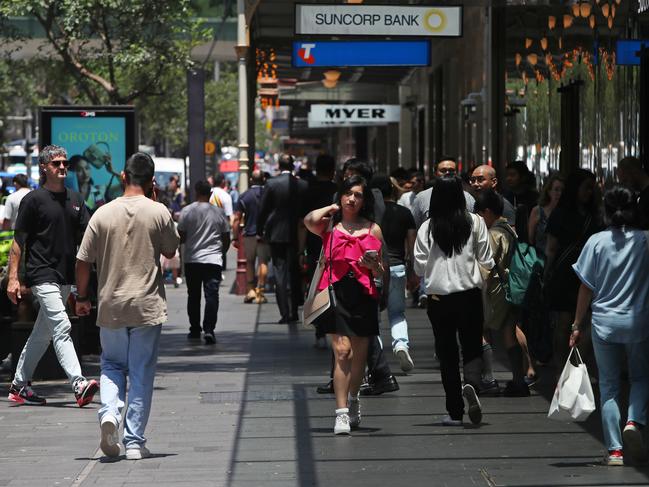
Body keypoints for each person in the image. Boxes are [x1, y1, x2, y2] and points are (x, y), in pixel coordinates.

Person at [75, 152, 180, 460]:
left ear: (123, 177)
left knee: (111, 365)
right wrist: (159, 204)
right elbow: (171, 251)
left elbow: (83, 261)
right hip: (146, 306)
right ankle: (134, 442)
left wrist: (82, 298)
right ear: (152, 181)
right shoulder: (158, 211)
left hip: (111, 306)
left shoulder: (102, 214)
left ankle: (109, 413)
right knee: (141, 372)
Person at [7, 145, 99, 407]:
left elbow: (90, 234)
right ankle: (79, 383)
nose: (62, 167)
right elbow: (18, 242)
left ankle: (19, 385)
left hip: (64, 276)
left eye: (64, 163)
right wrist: (14, 278)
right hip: (41, 274)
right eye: (56, 163)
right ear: (44, 168)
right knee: (62, 326)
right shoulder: (33, 200)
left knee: (43, 333)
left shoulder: (75, 199)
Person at [570, 186, 649, 466]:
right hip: (639, 321)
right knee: (640, 377)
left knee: (609, 385)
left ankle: (614, 451)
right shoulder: (645, 241)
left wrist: (577, 324)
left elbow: (585, 288)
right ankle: (634, 420)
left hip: (603, 323)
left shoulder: (596, 242)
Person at [304, 175, 384, 435]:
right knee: (342, 352)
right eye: (348, 193)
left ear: (364, 200)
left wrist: (373, 266)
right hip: (335, 292)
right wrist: (331, 209)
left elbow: (382, 272)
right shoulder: (329, 227)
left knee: (359, 357)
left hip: (363, 293)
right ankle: (340, 414)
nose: (352, 199)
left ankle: (354, 399)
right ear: (340, 196)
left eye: (358, 195)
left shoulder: (373, 229)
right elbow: (308, 220)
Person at [414, 176, 494, 426]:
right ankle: (470, 383)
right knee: (472, 346)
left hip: (439, 299)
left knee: (447, 353)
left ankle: (454, 412)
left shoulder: (427, 228)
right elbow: (487, 260)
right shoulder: (476, 221)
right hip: (469, 295)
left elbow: (418, 267)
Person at [544, 168, 601, 373]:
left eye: (592, 189)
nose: (589, 193)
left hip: (588, 272)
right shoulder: (561, 212)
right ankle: (562, 367)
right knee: (564, 321)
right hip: (565, 273)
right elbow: (551, 247)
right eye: (586, 188)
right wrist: (547, 273)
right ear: (575, 188)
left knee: (585, 321)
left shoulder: (593, 214)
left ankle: (577, 365)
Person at [474, 190, 530, 397]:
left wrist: (478, 287)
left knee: (482, 330)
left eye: (479, 215)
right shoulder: (509, 229)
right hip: (511, 289)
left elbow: (486, 267)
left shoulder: (494, 234)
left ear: (487, 212)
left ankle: (488, 380)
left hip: (496, 291)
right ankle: (519, 380)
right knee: (509, 334)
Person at [373, 175, 417, 372]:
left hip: (375, 269)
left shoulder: (370, 215)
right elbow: (412, 243)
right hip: (398, 267)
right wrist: (413, 270)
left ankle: (378, 354)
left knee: (373, 316)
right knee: (397, 312)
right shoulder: (405, 212)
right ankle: (400, 344)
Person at [257, 154, 308, 324]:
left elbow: (263, 209)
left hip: (276, 233)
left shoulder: (271, 184)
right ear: (293, 166)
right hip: (296, 233)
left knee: (280, 272)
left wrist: (259, 229)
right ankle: (294, 311)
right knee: (295, 272)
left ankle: (284, 312)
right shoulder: (302, 185)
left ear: (279, 166)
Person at [178, 181, 230, 344]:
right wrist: (221, 252)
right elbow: (226, 237)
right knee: (212, 295)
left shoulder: (187, 211)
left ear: (195, 192)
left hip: (192, 259)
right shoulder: (219, 213)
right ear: (211, 194)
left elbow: (181, 235)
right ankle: (209, 329)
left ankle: (194, 329)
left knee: (193, 295)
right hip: (213, 260)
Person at [305, 155, 338, 349]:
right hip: (334, 242)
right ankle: (331, 323)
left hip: (314, 243)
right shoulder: (338, 191)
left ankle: (320, 325)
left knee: (317, 283)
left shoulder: (309, 190)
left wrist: (302, 249)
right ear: (333, 170)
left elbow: (304, 222)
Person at [233, 170, 270, 305]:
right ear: (264, 180)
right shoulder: (268, 195)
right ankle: (260, 292)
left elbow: (237, 218)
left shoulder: (244, 196)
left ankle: (250, 290)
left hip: (249, 234)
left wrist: (235, 237)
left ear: (250, 181)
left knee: (249, 262)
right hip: (264, 235)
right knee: (263, 262)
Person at [411, 156, 475, 228]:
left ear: (457, 173)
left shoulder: (468, 198)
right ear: (435, 173)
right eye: (443, 171)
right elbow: (414, 227)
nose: (447, 173)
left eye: (451, 170)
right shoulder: (421, 198)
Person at [527, 174, 565, 256]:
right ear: (549, 191)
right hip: (539, 259)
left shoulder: (566, 213)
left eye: (562, 190)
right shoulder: (538, 211)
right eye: (556, 190)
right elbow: (530, 239)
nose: (560, 193)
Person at [503, 161, 539, 242]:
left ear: (523, 177)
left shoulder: (533, 197)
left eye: (512, 175)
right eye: (507, 175)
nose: (508, 178)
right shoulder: (505, 197)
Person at [617, 156, 649, 229]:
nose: (624, 185)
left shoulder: (643, 196)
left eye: (625, 180)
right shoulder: (639, 195)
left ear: (635, 172)